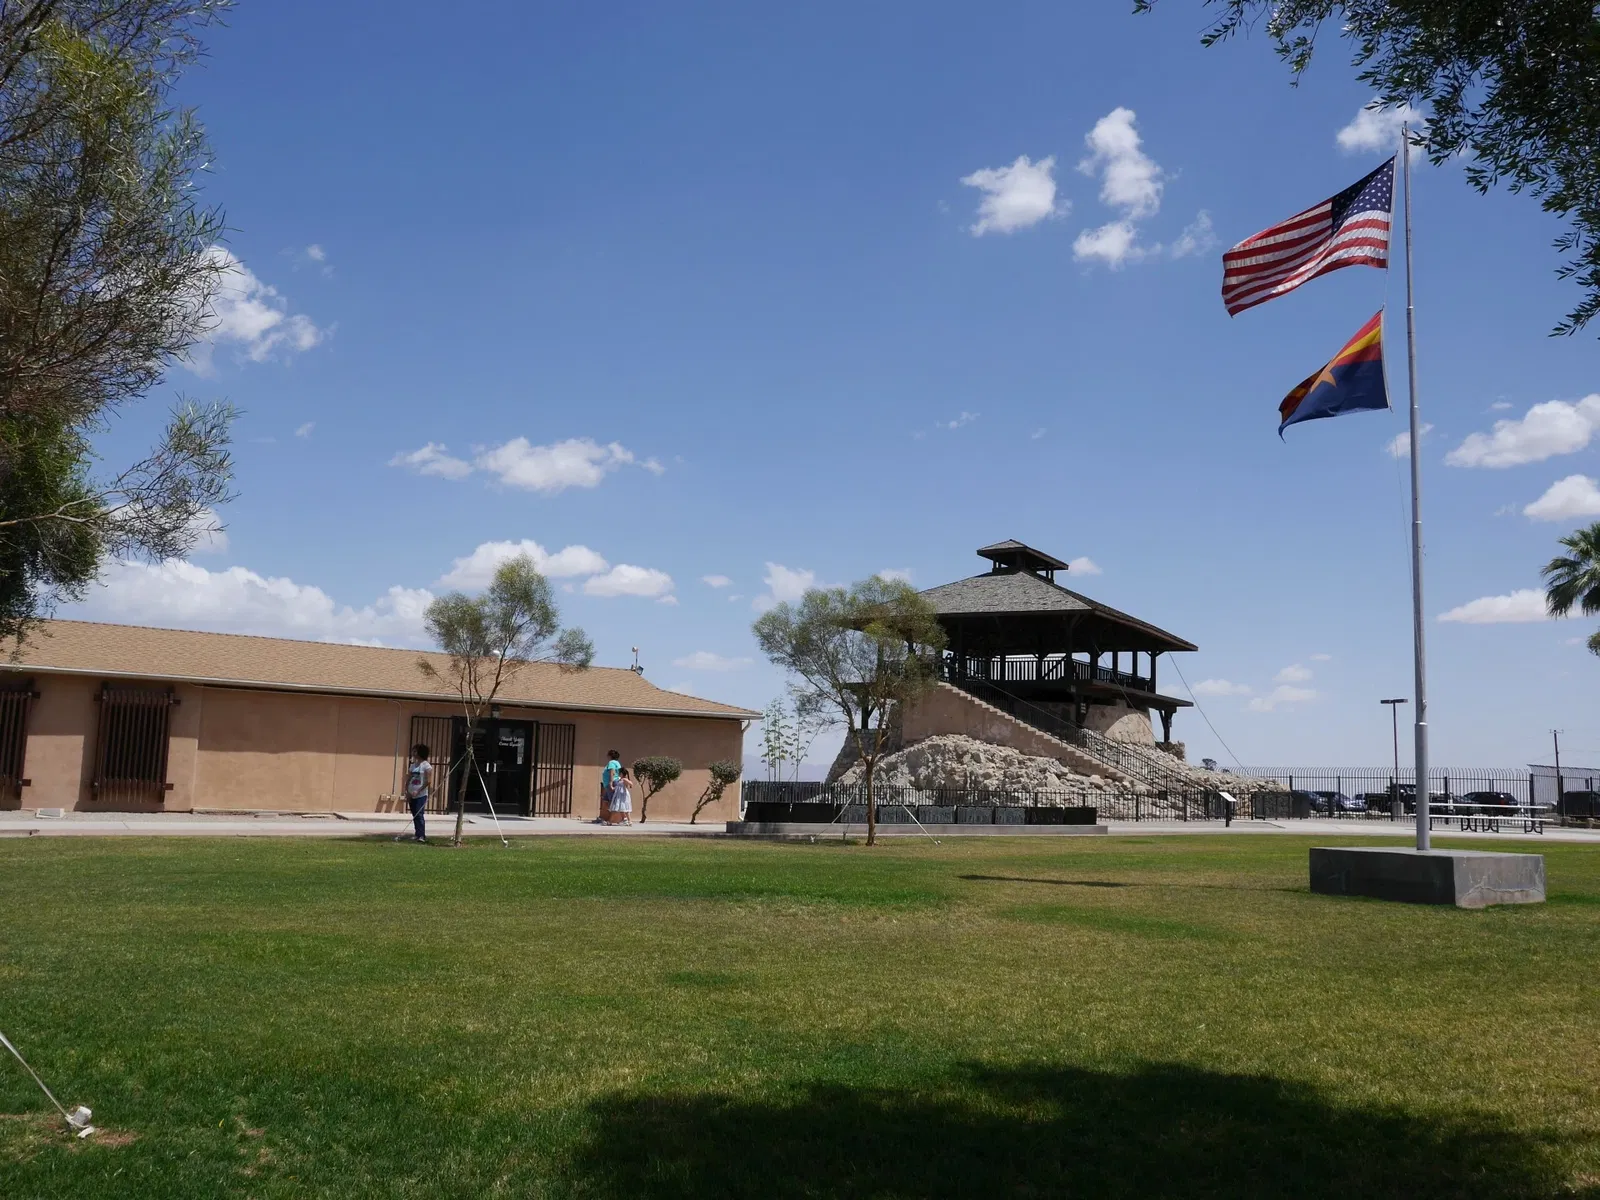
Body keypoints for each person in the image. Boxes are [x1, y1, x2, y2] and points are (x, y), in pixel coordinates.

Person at [398, 743, 431, 843]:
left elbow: (428, 781)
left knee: (419, 814)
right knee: (414, 815)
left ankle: (422, 835)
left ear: (420, 752)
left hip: (420, 795)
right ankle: (417, 834)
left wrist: (418, 790)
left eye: (415, 751)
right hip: (411, 793)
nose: (413, 753)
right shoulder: (413, 766)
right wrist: (407, 791)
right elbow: (408, 779)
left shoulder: (426, 766)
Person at [596, 749, 621, 824]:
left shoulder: (611, 762)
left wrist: (610, 783)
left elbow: (612, 772)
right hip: (608, 784)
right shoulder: (617, 763)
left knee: (612, 802)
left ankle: (613, 820)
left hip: (611, 783)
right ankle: (603, 817)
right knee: (605, 801)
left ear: (610, 756)